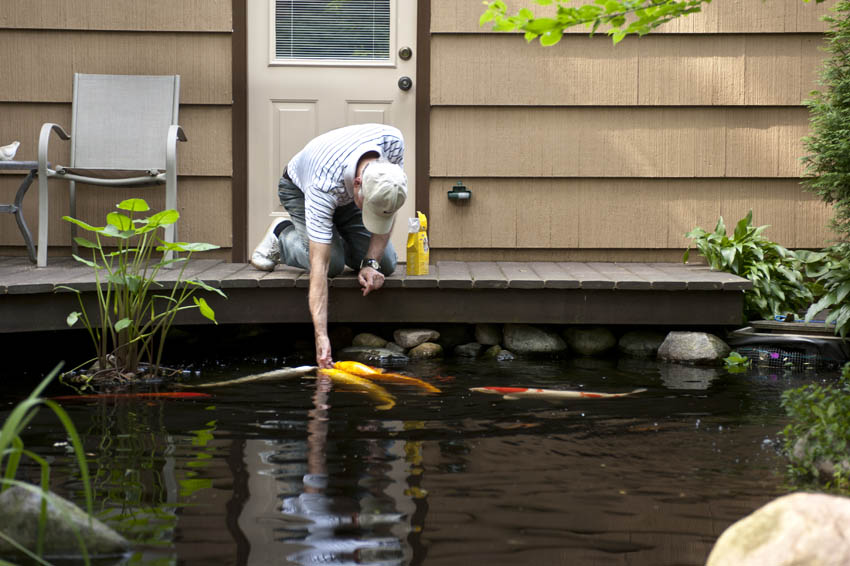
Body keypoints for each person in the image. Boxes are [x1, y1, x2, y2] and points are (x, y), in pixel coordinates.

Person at [250, 123, 408, 368]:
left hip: (347, 197)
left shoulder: (393, 145)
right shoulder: (322, 185)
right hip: (299, 190)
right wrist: (321, 336)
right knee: (332, 262)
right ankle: (282, 234)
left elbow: (387, 202)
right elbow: (319, 268)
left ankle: (333, 236)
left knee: (385, 263)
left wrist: (370, 264)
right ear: (358, 183)